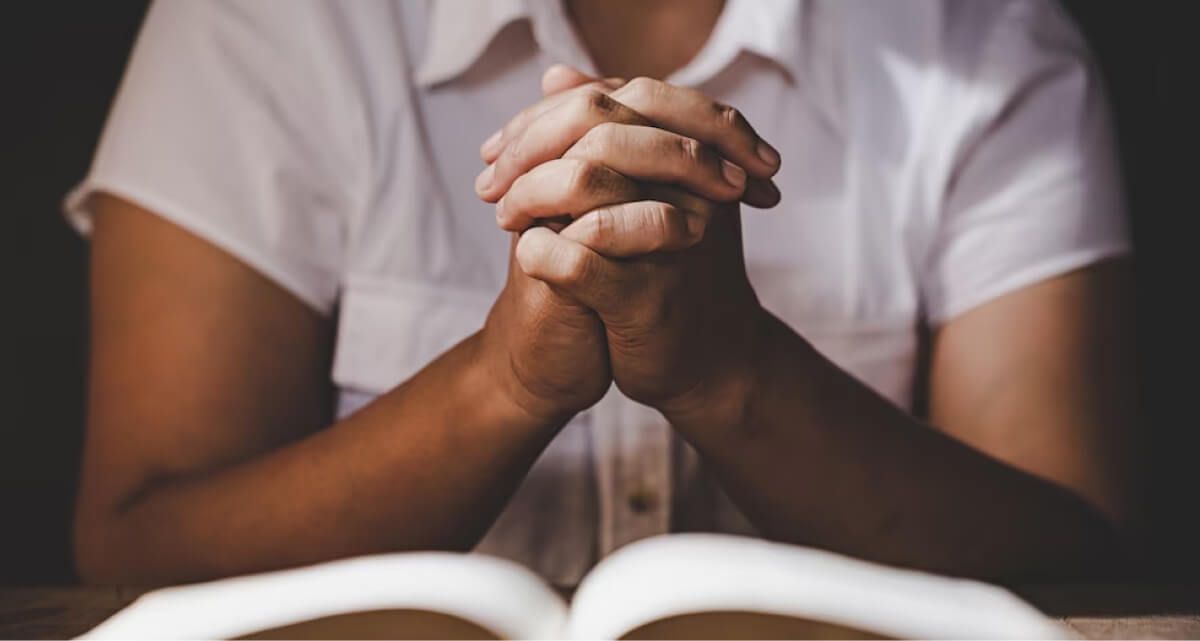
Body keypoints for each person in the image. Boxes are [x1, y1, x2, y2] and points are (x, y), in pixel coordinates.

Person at [68, 0, 1136, 587]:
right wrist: (506, 380)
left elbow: (1074, 549)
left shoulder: (985, 46)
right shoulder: (262, 26)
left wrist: (731, 369)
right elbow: (134, 538)